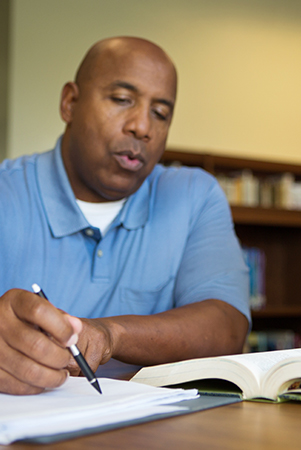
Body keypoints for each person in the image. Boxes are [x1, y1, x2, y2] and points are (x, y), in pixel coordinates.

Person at [0, 36, 250, 395]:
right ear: (70, 102)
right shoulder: (6, 193)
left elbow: (227, 328)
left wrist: (109, 334)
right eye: (121, 100)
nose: (142, 128)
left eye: (160, 113)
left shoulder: (195, 196)